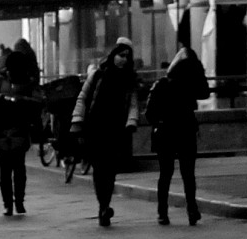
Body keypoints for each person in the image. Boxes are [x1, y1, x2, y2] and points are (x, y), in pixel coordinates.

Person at [71, 39, 141, 226]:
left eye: (127, 57)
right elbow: (83, 98)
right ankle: (103, 205)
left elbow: (133, 104)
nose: (123, 60)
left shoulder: (129, 80)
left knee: (110, 170)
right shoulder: (98, 75)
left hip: (115, 130)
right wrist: (77, 121)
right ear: (113, 55)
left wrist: (131, 123)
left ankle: (105, 205)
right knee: (99, 169)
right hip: (95, 128)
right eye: (121, 55)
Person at [146, 42, 208, 225]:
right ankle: (186, 209)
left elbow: (149, 112)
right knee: (184, 174)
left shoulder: (170, 85)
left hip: (172, 132)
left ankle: (167, 212)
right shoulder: (176, 86)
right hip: (179, 131)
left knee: (170, 173)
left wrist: (158, 124)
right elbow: (204, 92)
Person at [0, 56, 42, 218]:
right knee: (11, 169)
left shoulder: (23, 82)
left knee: (14, 169)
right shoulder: (0, 81)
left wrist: (21, 101)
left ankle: (14, 203)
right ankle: (11, 203)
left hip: (14, 130)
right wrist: (2, 98)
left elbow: (38, 101)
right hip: (6, 130)